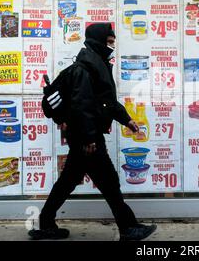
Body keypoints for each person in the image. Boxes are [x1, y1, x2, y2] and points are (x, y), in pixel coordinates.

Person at [28, 23, 157, 241]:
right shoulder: (85, 68)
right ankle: (128, 228)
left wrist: (127, 120)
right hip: (87, 137)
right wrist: (89, 138)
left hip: (84, 135)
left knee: (69, 180)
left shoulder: (97, 64)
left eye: (112, 42)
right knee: (109, 181)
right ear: (98, 40)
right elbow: (82, 105)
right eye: (109, 42)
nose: (112, 45)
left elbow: (106, 102)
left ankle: (46, 224)